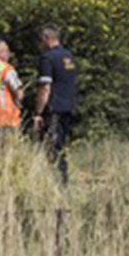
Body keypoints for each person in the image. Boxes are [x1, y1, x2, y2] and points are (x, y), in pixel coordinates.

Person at [34, 25, 79, 184]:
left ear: (47, 39)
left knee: (52, 147)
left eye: (40, 41)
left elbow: (45, 87)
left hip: (54, 108)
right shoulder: (69, 56)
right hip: (69, 106)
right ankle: (62, 180)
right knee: (60, 144)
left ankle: (59, 183)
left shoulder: (47, 58)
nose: (39, 45)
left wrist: (38, 112)